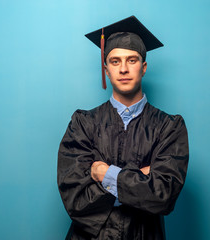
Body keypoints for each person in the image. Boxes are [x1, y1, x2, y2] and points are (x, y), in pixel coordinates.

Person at [57, 16, 189, 240]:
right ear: (107, 70)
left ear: (144, 67)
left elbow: (163, 196)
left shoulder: (169, 127)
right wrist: (141, 177)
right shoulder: (83, 123)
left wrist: (104, 174)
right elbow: (76, 200)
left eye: (132, 60)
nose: (124, 69)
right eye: (115, 61)